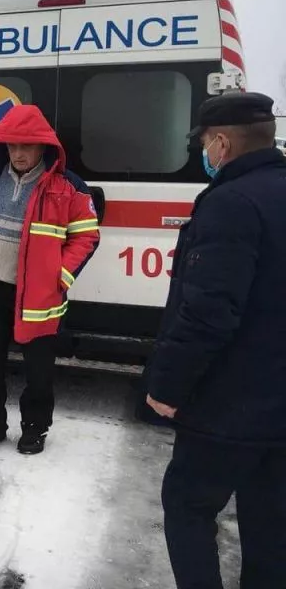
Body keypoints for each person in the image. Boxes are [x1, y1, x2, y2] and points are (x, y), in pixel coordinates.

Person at [145, 91, 286, 589]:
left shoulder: (231, 203)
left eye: (206, 142)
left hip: (231, 405)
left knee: (187, 505)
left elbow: (207, 313)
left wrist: (166, 386)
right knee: (270, 526)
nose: (204, 152)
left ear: (222, 142)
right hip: (278, 408)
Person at [0, 105, 99, 455]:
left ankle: (35, 429)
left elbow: (86, 236)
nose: (19, 153)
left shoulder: (67, 186)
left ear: (43, 146)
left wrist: (60, 277)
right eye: (12, 146)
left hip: (40, 296)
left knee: (39, 370)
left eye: (27, 146)